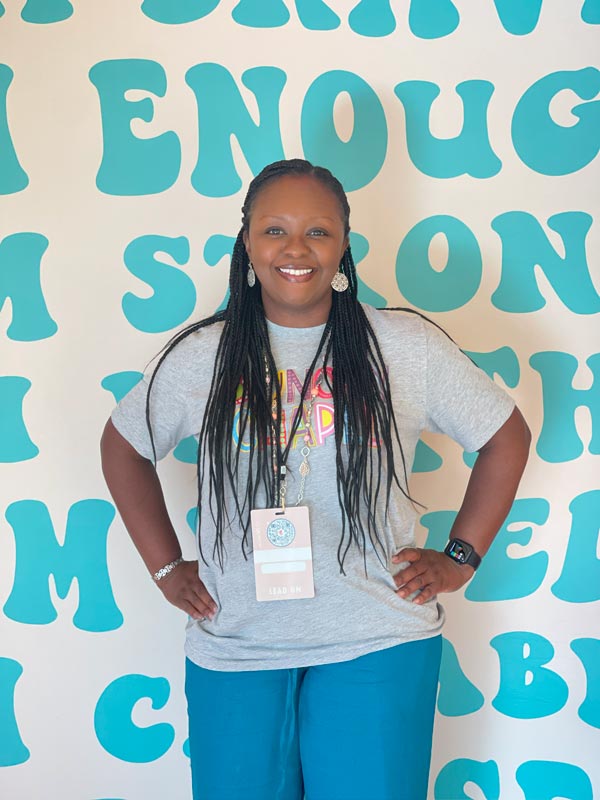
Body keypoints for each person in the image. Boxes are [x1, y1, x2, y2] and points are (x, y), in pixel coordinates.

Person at [101, 158, 530, 800]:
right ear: (247, 242)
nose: (296, 249)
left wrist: (459, 558)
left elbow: (505, 437)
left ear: (344, 244)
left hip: (378, 638)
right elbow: (122, 447)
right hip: (236, 643)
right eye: (274, 230)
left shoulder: (402, 346)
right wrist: (166, 568)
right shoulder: (203, 356)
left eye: (318, 232)